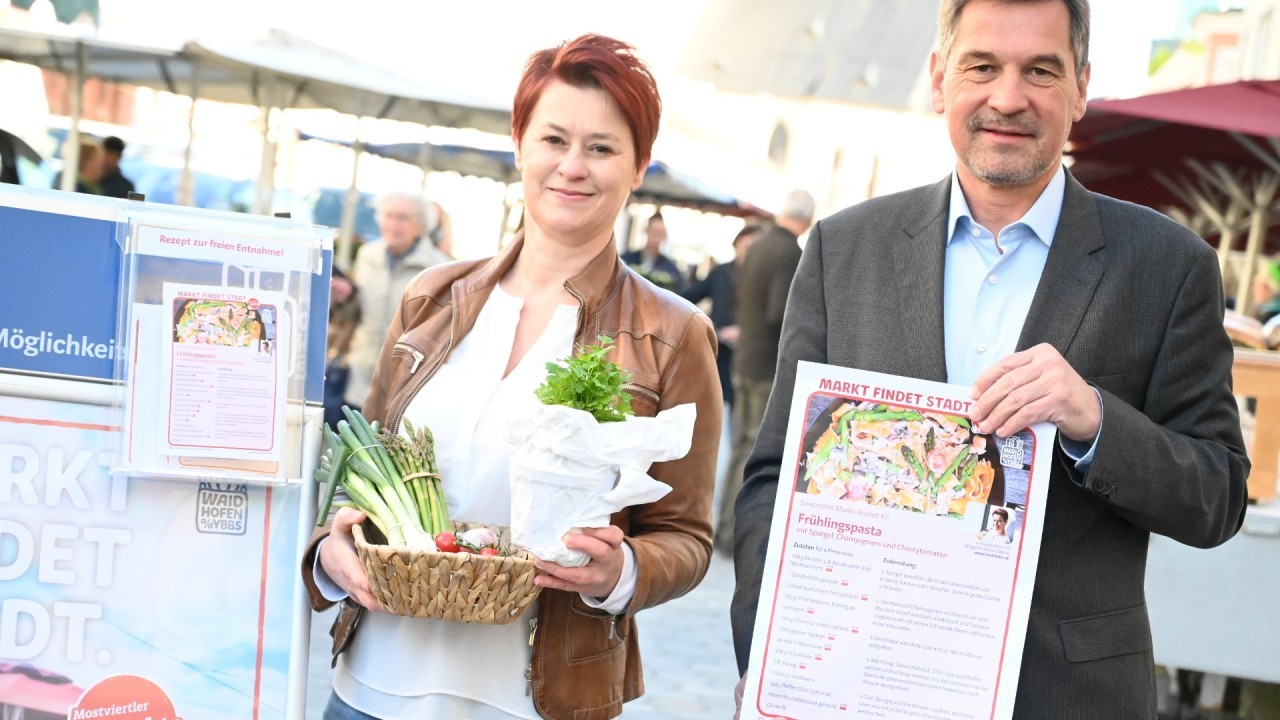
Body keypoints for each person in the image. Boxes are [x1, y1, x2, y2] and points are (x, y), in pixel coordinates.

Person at [730, 0, 1250, 717]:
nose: (1009, 98)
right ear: (941, 78)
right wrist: (769, 655)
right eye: (983, 66)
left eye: (1041, 70)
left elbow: (1218, 494)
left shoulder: (1168, 267)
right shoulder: (843, 251)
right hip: (859, 683)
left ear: (1080, 88)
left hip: (1067, 696)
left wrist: (1094, 419)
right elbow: (772, 479)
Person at [301, 33, 723, 720]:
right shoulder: (431, 298)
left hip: (534, 700)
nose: (572, 167)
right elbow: (353, 472)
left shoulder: (672, 334)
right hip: (370, 687)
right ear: (520, 142)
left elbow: (687, 537)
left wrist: (622, 573)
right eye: (554, 139)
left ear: (639, 166)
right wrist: (330, 550)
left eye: (603, 147)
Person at [717, 189, 814, 553]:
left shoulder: (757, 244)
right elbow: (780, 313)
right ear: (806, 219)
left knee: (740, 444)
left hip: (744, 358)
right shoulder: (790, 253)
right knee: (752, 451)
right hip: (765, 365)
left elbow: (743, 301)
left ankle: (723, 526)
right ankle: (733, 535)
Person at [341, 192, 451, 412]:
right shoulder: (367, 255)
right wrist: (343, 298)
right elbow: (354, 314)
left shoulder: (439, 268)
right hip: (359, 376)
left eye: (403, 218)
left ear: (420, 225)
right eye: (388, 216)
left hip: (403, 385)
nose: (393, 224)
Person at [682, 223, 764, 407]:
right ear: (737, 246)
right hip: (717, 348)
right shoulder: (721, 273)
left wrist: (744, 331)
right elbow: (689, 297)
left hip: (748, 355)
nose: (751, 253)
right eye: (748, 247)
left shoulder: (763, 280)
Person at [621, 211, 685, 292]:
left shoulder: (671, 270)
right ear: (646, 230)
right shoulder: (626, 260)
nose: (657, 237)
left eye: (661, 233)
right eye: (654, 231)